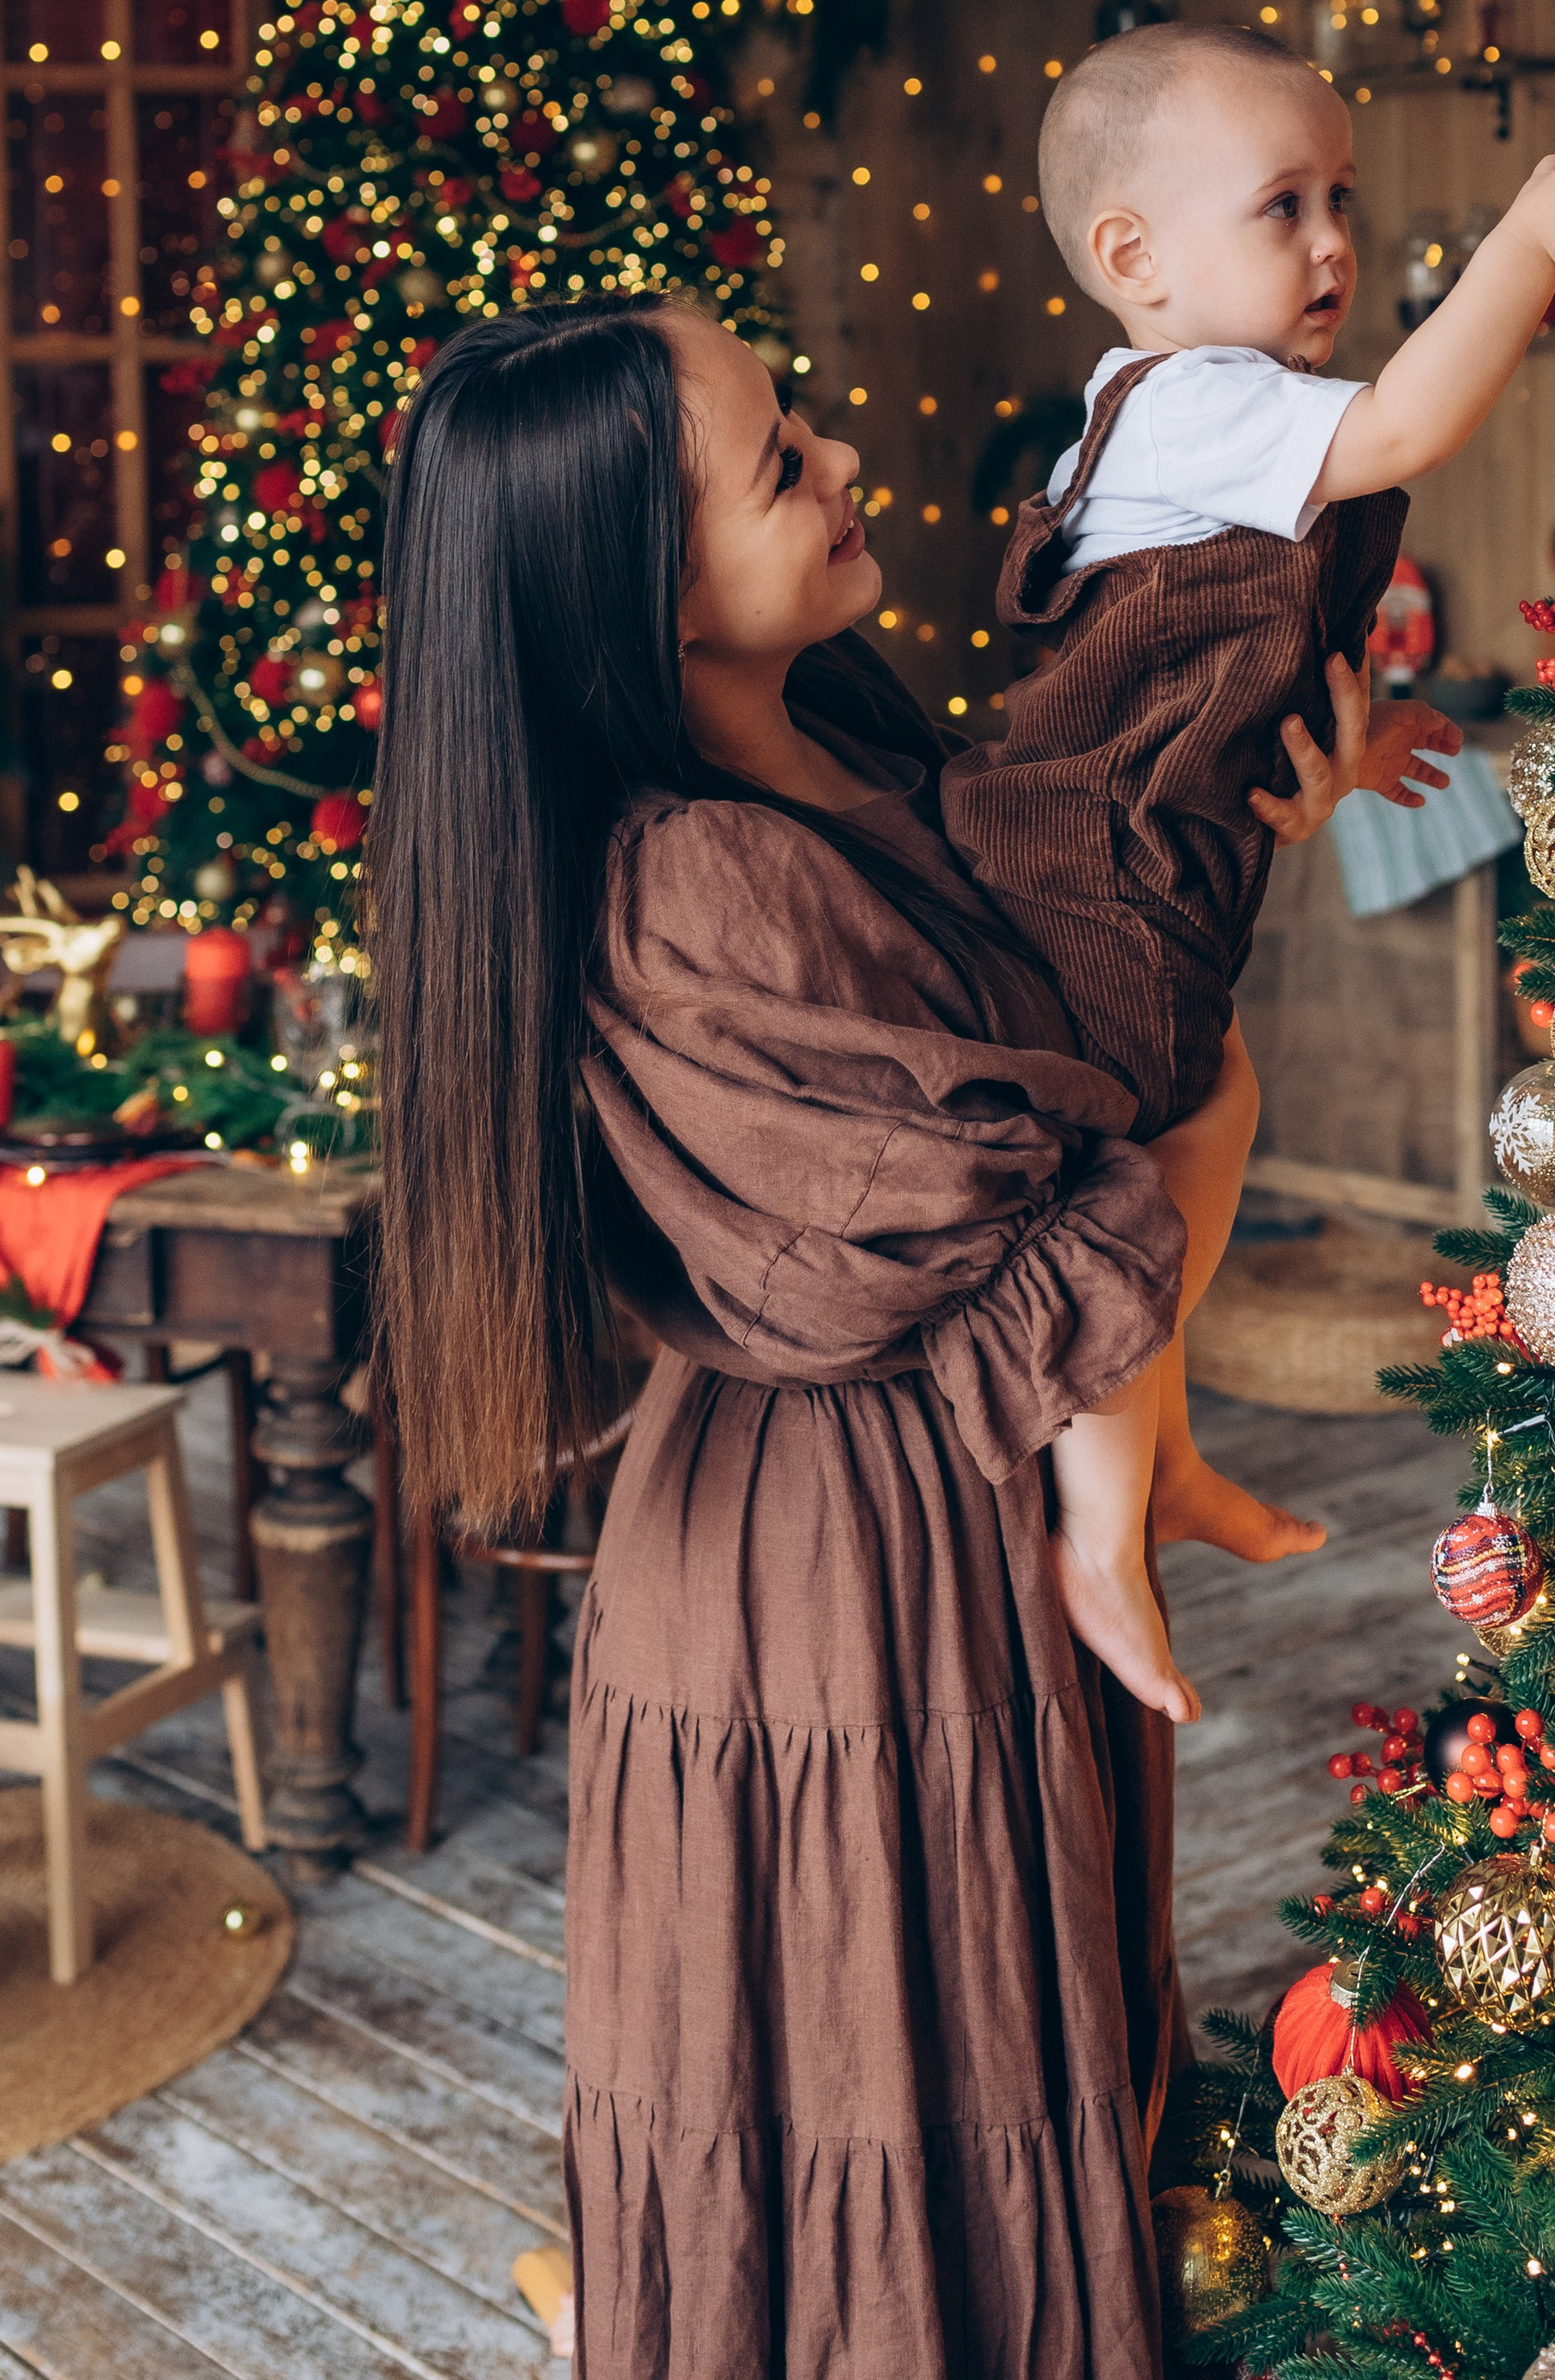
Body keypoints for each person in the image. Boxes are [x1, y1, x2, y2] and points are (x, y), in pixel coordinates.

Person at [366, 296, 1375, 2380]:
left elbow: (1131, 1102)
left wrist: (1222, 878)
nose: (840, 465)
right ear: (630, 597)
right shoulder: (695, 887)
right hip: (842, 1570)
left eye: (800, 423)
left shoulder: (885, 759)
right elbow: (1077, 1215)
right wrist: (1181, 1134)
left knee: (1013, 2064)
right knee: (883, 2125)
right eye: (775, 464)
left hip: (964, 1499)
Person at [941, 25, 1555, 1719]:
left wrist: (1354, 724)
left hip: (1120, 851)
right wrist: (1535, 240)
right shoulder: (1205, 402)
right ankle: (1097, 1524)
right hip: (1091, 871)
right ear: (1133, 260)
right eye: (1282, 205)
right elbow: (1407, 425)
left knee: (1212, 1110)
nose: (1331, 239)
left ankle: (1160, 1453)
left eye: (1338, 198)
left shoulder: (1141, 420)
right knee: (1135, 1171)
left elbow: (1206, 649)